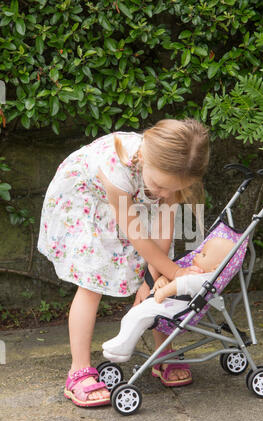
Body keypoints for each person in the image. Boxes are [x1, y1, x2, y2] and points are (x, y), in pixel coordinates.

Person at [37, 118, 210, 406]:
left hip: (131, 206)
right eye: (159, 185)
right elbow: (137, 234)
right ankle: (78, 371)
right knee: (91, 281)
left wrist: (154, 277)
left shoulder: (175, 174)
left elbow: (162, 229)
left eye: (172, 190)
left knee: (159, 281)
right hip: (89, 203)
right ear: (144, 158)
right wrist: (177, 272)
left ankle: (162, 353)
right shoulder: (117, 166)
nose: (164, 194)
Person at [102, 237, 235, 386]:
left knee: (141, 316)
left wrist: (165, 291)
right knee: (134, 314)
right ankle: (122, 341)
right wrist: (162, 279)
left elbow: (185, 283)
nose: (196, 255)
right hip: (167, 304)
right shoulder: (195, 270)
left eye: (203, 255)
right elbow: (177, 279)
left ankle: (123, 346)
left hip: (175, 310)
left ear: (216, 266)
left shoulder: (207, 279)